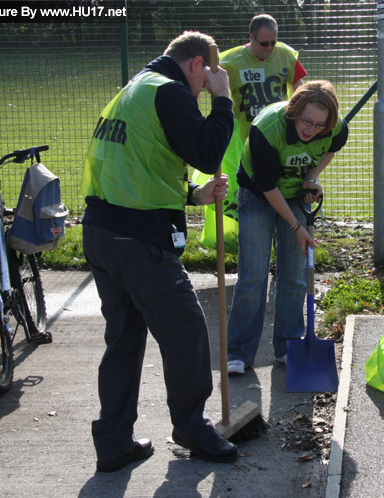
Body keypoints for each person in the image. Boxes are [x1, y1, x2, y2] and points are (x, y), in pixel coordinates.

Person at [79, 31, 240, 472]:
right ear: (196, 65)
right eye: (207, 78)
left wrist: (192, 195)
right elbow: (208, 151)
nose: (206, 86)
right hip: (137, 239)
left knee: (125, 340)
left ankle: (113, 441)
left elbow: (138, 163)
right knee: (186, 332)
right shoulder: (169, 91)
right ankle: (189, 425)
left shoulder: (134, 90)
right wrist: (222, 101)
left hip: (101, 231)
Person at [226, 80, 349, 375]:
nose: (311, 130)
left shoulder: (335, 128)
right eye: (306, 121)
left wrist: (311, 177)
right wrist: (296, 226)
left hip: (293, 192)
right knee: (253, 275)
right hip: (258, 193)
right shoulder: (267, 128)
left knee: (294, 273)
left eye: (319, 125)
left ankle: (288, 345)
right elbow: (268, 185)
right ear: (294, 111)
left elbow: (333, 146)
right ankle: (239, 353)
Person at [220, 13, 308, 143]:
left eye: (273, 42)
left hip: (278, 129)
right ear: (252, 37)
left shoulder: (285, 55)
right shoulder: (230, 61)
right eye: (264, 43)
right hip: (245, 133)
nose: (270, 48)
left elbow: (300, 89)